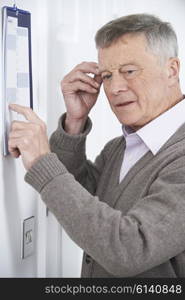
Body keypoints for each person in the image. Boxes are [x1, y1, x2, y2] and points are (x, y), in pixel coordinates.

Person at [8, 13, 185, 277]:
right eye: (107, 75)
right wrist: (74, 123)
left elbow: (129, 249)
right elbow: (81, 203)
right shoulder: (120, 147)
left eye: (129, 71)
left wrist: (42, 164)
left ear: (171, 70)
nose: (114, 88)